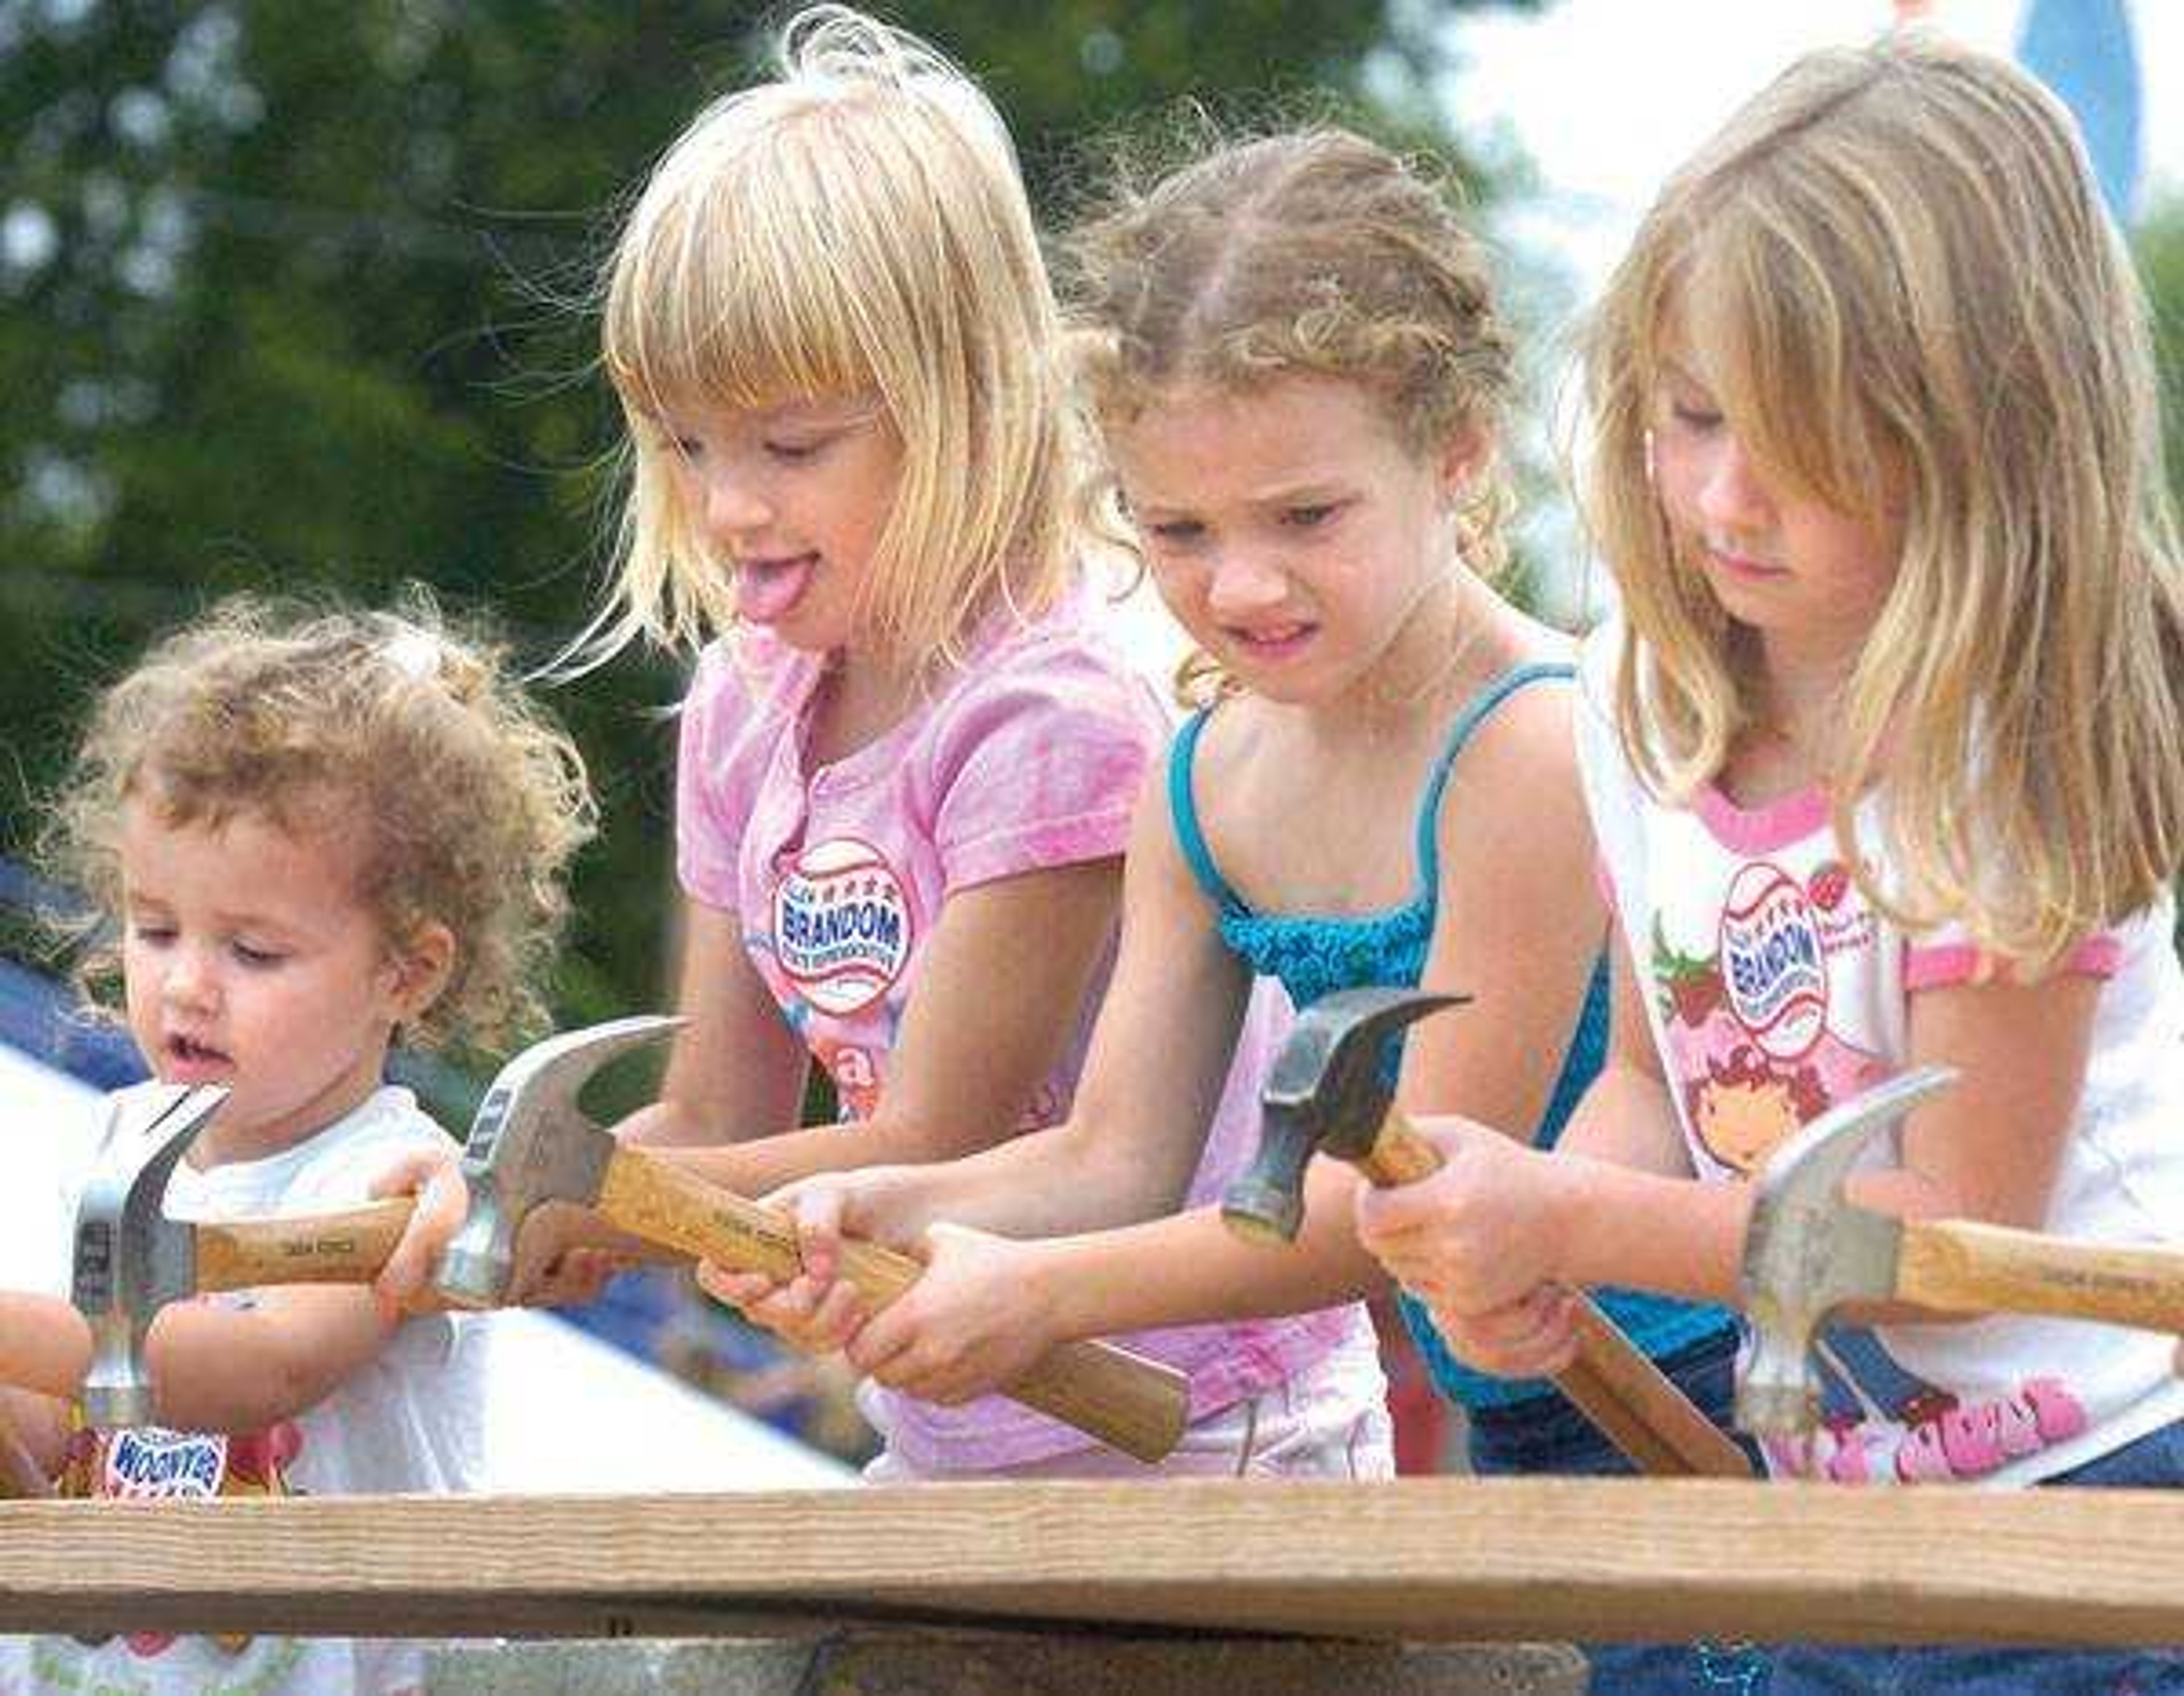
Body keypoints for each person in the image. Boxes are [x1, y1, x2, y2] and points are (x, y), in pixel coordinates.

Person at [376, 4, 1356, 1483]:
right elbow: (714, 1112)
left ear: (960, 397)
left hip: (1203, 1429)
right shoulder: (743, 706)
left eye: (792, 444)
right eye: (688, 443)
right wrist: (544, 1197)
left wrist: (583, 1196)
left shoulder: (1053, 714)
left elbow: (934, 1141)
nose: (729, 506)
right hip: (953, 1427)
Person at [709, 122, 1742, 1513]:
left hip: (1703, 1400)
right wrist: (878, 1213)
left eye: (1307, 516)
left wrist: (1041, 1296)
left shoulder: (1531, 744)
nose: (1241, 586)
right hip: (1518, 1417)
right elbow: (1112, 1158)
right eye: (1179, 533)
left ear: (1454, 452)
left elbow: (1397, 1209)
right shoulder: (1200, 783)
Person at [1355, 31, 2184, 1693]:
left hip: (2107, 1507)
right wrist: (1542, 1251)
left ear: (1983, 436)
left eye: (1809, 440)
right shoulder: (1639, 693)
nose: (1730, 498)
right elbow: (1664, 1081)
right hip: (1840, 1503)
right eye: (1690, 414)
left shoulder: (2000, 752)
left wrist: (1579, 1207)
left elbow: (1949, 1246)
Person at [0, 592, 593, 1694]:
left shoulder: (399, 1181)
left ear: (405, 974)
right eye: (155, 928)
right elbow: (53, 1433)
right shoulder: (115, 1142)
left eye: (255, 952)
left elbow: (258, 1370)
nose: (185, 984)